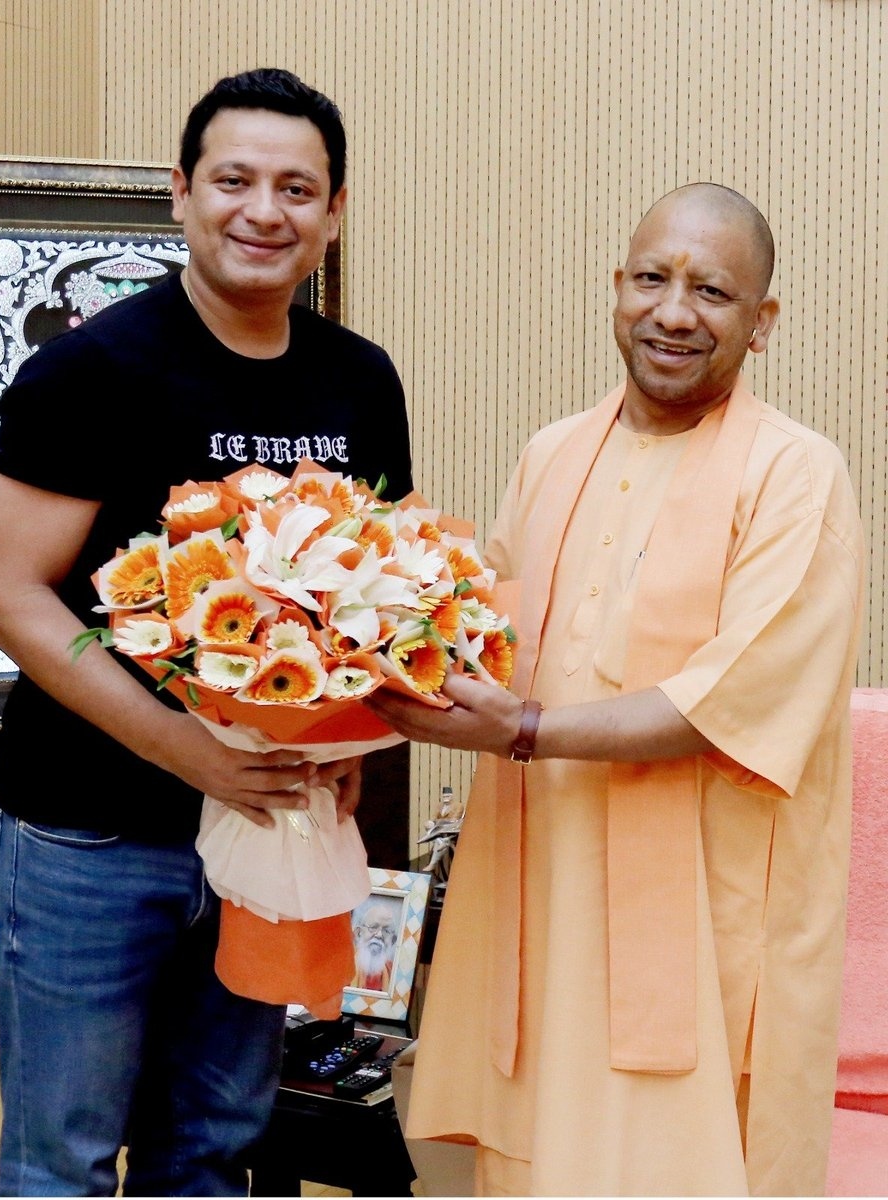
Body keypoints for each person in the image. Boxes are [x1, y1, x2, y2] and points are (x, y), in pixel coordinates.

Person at [366, 183, 864, 1196]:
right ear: (616, 290)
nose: (675, 312)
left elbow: (729, 699)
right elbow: (486, 638)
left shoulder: (798, 475)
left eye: (713, 291)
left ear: (761, 323)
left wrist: (526, 730)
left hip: (700, 918)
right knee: (538, 1157)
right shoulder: (552, 453)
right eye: (653, 278)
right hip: (540, 893)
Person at [0, 67, 413, 1197]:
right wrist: (192, 751)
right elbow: (9, 597)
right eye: (234, 180)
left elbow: (382, 601)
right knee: (61, 1162)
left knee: (214, 1149)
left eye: (297, 188)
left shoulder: (359, 384)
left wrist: (343, 744)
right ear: (180, 192)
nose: (264, 211)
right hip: (91, 839)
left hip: (269, 833)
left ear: (334, 209)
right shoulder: (90, 370)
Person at [350, 900, 399, 990]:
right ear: (358, 933)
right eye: (373, 927)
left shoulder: (396, 973)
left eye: (386, 931)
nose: (379, 935)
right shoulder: (344, 965)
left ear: (393, 940)